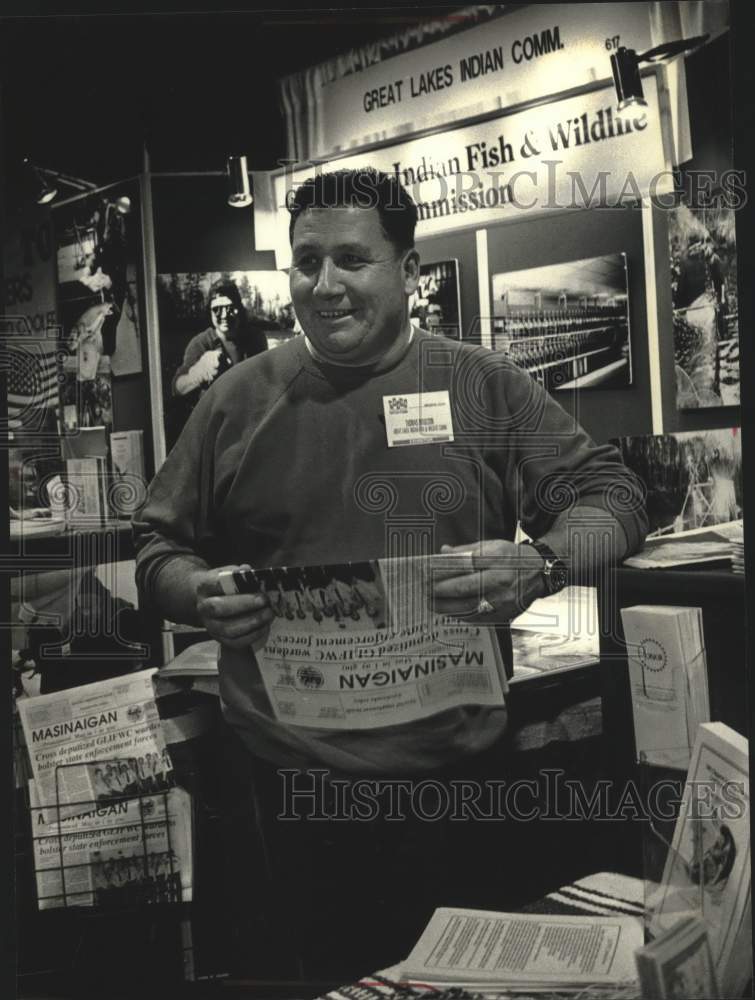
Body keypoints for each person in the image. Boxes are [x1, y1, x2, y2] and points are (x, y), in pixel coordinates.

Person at [134, 167, 647, 978]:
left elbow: (613, 497)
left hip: (457, 783)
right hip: (290, 790)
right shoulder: (235, 401)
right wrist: (194, 593)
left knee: (455, 984)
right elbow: (157, 549)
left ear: (408, 273)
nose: (324, 285)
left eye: (351, 259)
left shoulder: (481, 384)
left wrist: (538, 563)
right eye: (306, 263)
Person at [171, 277, 269, 399]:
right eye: (216, 309)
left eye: (230, 308)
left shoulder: (256, 338)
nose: (224, 315)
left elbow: (266, 381)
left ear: (239, 307)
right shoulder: (200, 343)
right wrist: (197, 373)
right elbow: (177, 388)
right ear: (209, 312)